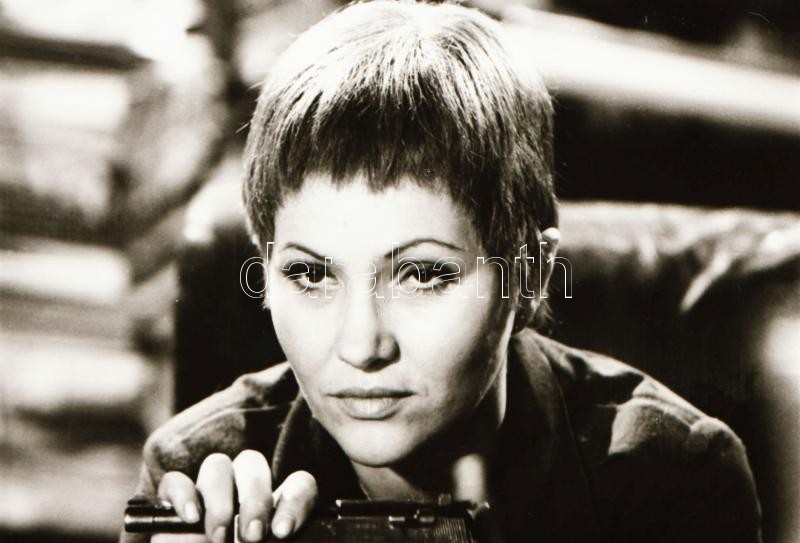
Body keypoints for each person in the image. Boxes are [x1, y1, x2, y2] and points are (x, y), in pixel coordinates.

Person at [123, 1, 761, 542]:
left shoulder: (671, 479)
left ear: (530, 275)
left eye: (423, 275)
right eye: (311, 276)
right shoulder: (199, 474)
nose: (362, 347)